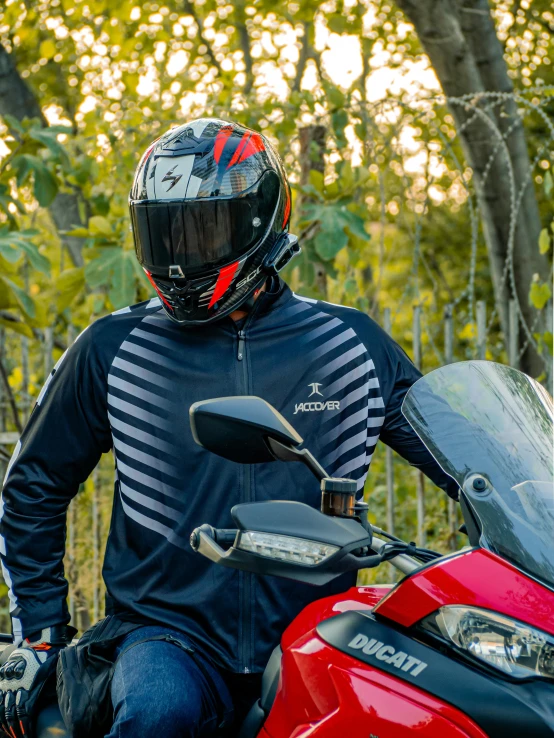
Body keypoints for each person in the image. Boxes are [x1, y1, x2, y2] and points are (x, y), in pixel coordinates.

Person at [0, 118, 459, 738]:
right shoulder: (114, 349)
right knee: (159, 714)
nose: (179, 259)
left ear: (260, 220)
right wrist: (42, 633)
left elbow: (465, 462)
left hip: (318, 629)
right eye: (164, 236)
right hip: (167, 633)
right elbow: (32, 486)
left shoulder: (350, 345)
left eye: (202, 232)